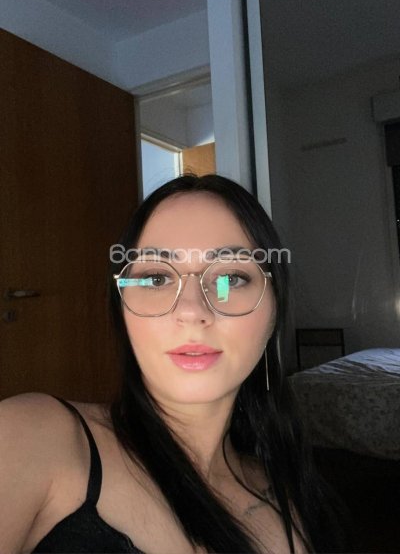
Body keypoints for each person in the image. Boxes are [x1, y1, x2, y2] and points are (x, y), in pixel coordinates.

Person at [0, 174, 350, 554]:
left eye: (230, 278)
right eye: (155, 278)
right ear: (122, 311)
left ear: (273, 312)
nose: (192, 311)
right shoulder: (34, 438)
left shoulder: (293, 493)